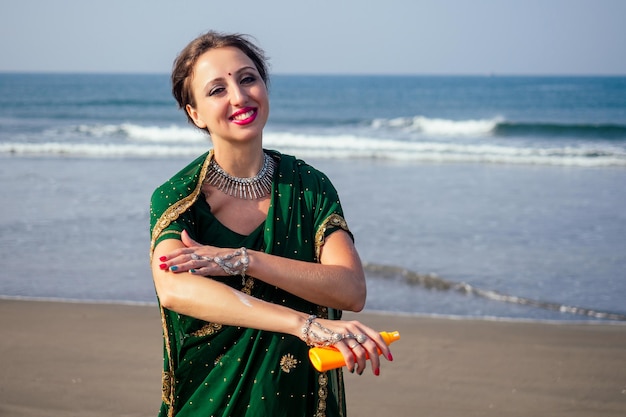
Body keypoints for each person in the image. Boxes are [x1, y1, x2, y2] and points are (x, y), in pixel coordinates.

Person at [149, 31, 392, 417]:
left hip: (303, 401)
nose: (239, 96)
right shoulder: (179, 198)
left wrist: (246, 260)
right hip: (213, 401)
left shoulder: (309, 186)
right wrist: (305, 325)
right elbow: (174, 288)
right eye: (216, 89)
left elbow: (350, 289)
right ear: (194, 113)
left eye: (248, 79)